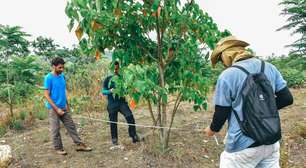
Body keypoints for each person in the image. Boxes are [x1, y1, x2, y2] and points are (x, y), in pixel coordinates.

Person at [204, 36, 293, 168]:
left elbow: (221, 112)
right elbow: (287, 98)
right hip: (271, 141)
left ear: (227, 55)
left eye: (220, 59)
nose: (222, 63)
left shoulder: (228, 75)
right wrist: (261, 110)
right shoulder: (270, 67)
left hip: (242, 146)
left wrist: (211, 130)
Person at [44, 57, 92, 155]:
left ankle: (79, 144)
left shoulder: (62, 76)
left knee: (71, 126)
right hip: (53, 108)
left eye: (63, 68)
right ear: (53, 66)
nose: (62, 70)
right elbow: (46, 95)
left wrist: (67, 105)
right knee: (55, 129)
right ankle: (58, 148)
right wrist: (57, 109)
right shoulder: (48, 78)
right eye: (59, 68)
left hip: (63, 107)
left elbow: (62, 92)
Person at [101, 61, 140, 145]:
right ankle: (114, 139)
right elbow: (103, 91)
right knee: (113, 122)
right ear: (111, 69)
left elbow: (126, 89)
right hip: (112, 104)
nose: (116, 70)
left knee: (130, 117)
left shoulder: (122, 78)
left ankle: (133, 136)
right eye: (114, 69)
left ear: (119, 68)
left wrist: (131, 89)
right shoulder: (108, 79)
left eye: (117, 68)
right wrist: (110, 91)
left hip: (122, 103)